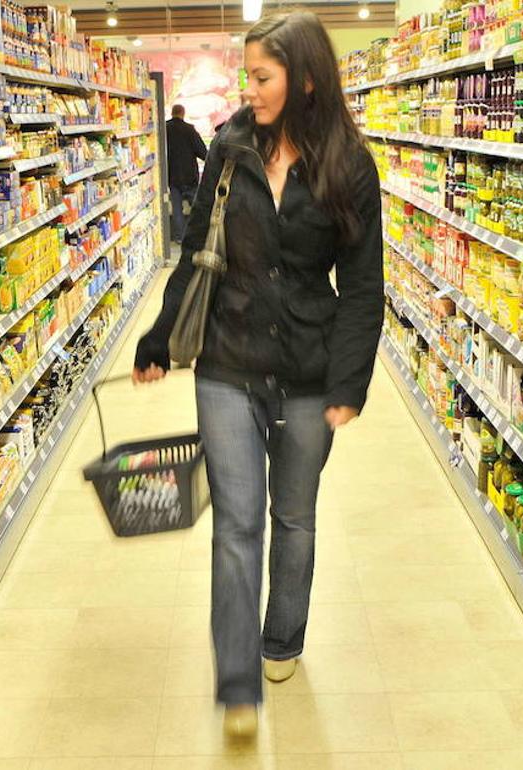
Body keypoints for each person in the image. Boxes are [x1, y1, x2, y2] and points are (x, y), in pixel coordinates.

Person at [132, 12, 383, 739]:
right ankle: (239, 679)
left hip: (309, 368)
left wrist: (348, 384)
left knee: (293, 518)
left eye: (263, 76)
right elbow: (196, 250)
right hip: (229, 359)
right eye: (248, 75)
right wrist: (158, 337)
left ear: (305, 79)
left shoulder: (349, 165)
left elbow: (364, 286)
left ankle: (282, 640)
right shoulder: (230, 147)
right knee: (236, 525)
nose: (252, 89)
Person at [165, 104, 208, 243]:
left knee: (177, 208)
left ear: (172, 113)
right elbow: (202, 151)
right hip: (189, 176)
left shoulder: (165, 129)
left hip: (172, 176)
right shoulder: (189, 129)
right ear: (182, 114)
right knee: (197, 207)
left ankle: (179, 237)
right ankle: (201, 235)